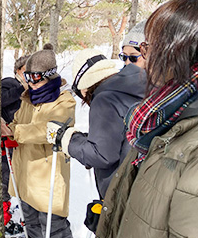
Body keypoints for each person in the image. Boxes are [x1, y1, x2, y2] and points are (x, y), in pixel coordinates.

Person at [84, 0, 198, 238]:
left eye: (148, 46)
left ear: (180, 50)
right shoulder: (159, 120)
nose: (143, 57)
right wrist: (113, 220)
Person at [5, 44, 77, 238]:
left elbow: (49, 129)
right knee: (30, 219)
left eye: (36, 79)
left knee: (53, 224)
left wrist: (16, 132)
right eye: (28, 78)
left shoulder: (63, 101)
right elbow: (17, 123)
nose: (31, 84)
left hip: (47, 173)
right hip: (25, 172)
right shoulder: (27, 99)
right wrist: (10, 129)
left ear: (49, 76)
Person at [60, 48, 146, 200]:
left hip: (120, 191)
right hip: (141, 183)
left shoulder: (104, 100)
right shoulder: (134, 89)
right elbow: (117, 140)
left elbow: (102, 155)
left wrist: (68, 140)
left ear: (84, 87)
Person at [1, 54, 30, 231]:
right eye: (26, 70)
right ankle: (3, 218)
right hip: (8, 140)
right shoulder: (10, 83)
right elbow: (0, 100)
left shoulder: (32, 88)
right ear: (19, 70)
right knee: (5, 179)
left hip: (22, 140)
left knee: (17, 179)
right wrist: (23, 88)